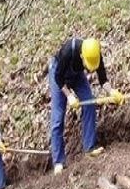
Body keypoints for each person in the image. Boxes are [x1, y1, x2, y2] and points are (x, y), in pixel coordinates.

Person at [49, 36, 125, 175]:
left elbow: (103, 79)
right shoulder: (68, 51)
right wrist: (69, 96)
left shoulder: (95, 53)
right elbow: (58, 78)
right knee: (58, 118)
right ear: (81, 55)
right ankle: (58, 161)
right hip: (58, 76)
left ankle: (89, 148)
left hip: (77, 76)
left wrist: (112, 91)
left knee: (89, 103)